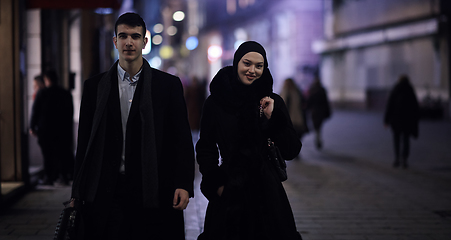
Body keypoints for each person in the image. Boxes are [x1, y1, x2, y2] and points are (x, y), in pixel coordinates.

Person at [70, 12, 195, 240]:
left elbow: (181, 140)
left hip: (155, 187)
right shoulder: (94, 87)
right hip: (107, 189)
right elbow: (85, 141)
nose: (129, 42)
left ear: (144, 42)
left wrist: (184, 184)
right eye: (123, 36)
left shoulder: (168, 86)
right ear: (115, 41)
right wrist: (77, 191)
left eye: (135, 36)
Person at [196, 41, 303, 240]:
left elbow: (291, 150)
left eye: (259, 66)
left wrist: (273, 118)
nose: (252, 70)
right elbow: (206, 148)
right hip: (229, 190)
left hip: (268, 194)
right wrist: (216, 184)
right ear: (237, 63)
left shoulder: (272, 101)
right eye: (247, 63)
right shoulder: (216, 102)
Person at [30, 70, 74, 186]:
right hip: (61, 130)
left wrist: (32, 127)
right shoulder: (65, 94)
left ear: (47, 79)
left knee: (48, 155)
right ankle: (64, 177)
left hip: (45, 130)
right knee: (62, 153)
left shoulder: (42, 93)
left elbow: (35, 111)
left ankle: (49, 178)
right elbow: (70, 113)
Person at [384, 74, 419, 168]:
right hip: (407, 120)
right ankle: (405, 159)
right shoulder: (410, 90)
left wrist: (386, 120)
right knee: (406, 139)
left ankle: (397, 159)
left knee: (396, 139)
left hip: (396, 120)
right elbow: (415, 106)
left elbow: (389, 105)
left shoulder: (395, 89)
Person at [306, 75, 331, 150]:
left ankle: (317, 138)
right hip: (320, 111)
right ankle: (318, 138)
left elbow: (309, 101)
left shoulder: (313, 90)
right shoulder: (321, 90)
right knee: (318, 126)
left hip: (315, 111)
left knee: (317, 126)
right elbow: (326, 102)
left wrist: (306, 108)